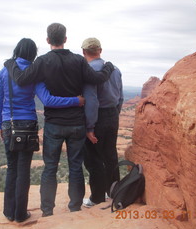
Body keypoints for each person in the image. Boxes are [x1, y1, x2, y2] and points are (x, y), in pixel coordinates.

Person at [7, 23, 115, 217]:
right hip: (76, 124)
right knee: (75, 166)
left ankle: (47, 210)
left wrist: (11, 63)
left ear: (48, 40)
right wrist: (108, 67)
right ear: (65, 39)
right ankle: (74, 207)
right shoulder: (78, 60)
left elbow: (21, 79)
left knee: (50, 168)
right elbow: (98, 78)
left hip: (54, 124)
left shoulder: (42, 61)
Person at [0, 38, 84, 222]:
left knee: (12, 168)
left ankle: (9, 212)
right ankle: (20, 214)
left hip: (8, 123)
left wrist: (0, 125)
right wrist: (76, 100)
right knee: (23, 170)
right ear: (33, 53)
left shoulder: (4, 72)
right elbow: (49, 100)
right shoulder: (35, 74)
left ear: (17, 50)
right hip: (27, 125)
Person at [81, 37, 124, 207]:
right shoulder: (115, 69)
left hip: (96, 117)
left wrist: (90, 127)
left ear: (84, 52)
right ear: (100, 50)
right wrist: (115, 114)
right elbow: (120, 97)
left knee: (93, 159)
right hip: (112, 115)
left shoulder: (88, 71)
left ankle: (97, 197)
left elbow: (91, 100)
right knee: (110, 156)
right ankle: (116, 194)